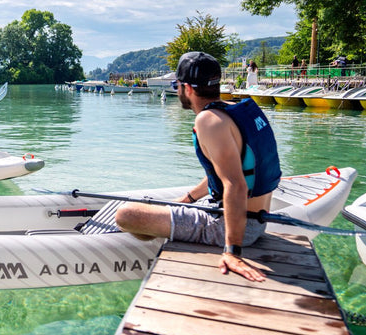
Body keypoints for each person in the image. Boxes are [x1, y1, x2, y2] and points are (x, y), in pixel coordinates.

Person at [115, 51, 282, 282]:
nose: (177, 90)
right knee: (164, 207)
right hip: (256, 219)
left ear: (188, 89)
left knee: (126, 215)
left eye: (177, 85)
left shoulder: (208, 121)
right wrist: (188, 199)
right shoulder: (237, 110)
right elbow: (229, 171)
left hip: (230, 228)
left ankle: (162, 236)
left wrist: (232, 251)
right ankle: (171, 226)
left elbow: (236, 184)